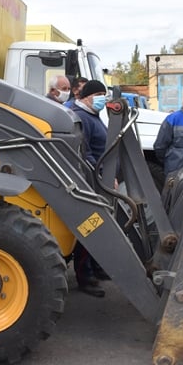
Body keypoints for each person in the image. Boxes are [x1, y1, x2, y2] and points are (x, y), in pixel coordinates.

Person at [69, 79, 110, 297]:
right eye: (99, 94)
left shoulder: (92, 116)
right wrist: (101, 175)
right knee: (90, 227)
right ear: (87, 96)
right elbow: (86, 154)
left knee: (100, 226)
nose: (103, 98)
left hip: (98, 181)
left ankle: (95, 267)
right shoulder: (83, 117)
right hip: (92, 183)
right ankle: (85, 276)